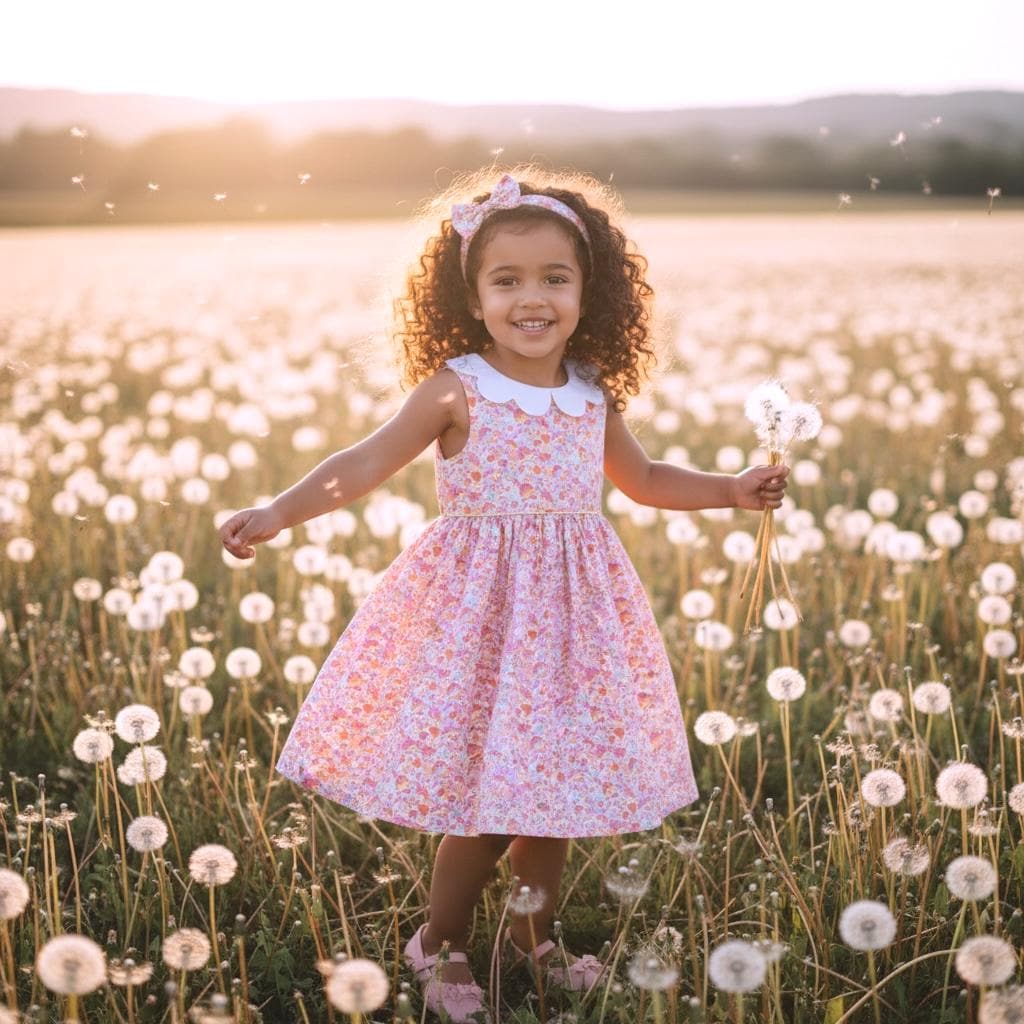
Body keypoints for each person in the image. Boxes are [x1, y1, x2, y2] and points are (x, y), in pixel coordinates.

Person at [218, 166, 790, 1023]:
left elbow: (642, 480)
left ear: (587, 292)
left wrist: (732, 488)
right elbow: (363, 465)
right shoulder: (457, 387)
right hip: (479, 619)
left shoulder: (591, 391)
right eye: (508, 279)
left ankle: (532, 939)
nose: (534, 298)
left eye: (555, 278)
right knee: (486, 807)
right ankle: (438, 944)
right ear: (473, 297)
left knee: (554, 798)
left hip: (574, 619)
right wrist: (278, 511)